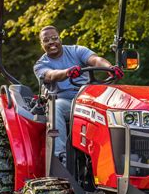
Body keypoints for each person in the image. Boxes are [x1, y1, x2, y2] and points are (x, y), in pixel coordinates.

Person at [33, 25, 124, 165]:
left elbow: (96, 60)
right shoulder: (40, 64)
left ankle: (120, 156)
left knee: (117, 104)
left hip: (88, 98)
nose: (51, 42)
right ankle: (59, 159)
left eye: (54, 38)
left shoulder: (76, 51)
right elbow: (51, 75)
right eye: (46, 40)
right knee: (55, 107)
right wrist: (67, 72)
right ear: (41, 44)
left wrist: (110, 68)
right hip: (65, 102)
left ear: (60, 39)